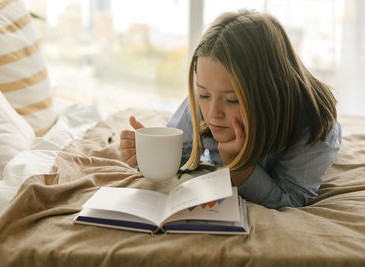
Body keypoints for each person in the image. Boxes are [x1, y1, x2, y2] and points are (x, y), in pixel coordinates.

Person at [120, 10, 341, 209]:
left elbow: (290, 199)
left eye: (232, 100)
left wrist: (239, 166)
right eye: (203, 94)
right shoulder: (206, 100)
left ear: (270, 92)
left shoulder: (315, 127)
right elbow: (184, 156)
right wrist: (151, 155)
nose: (213, 112)